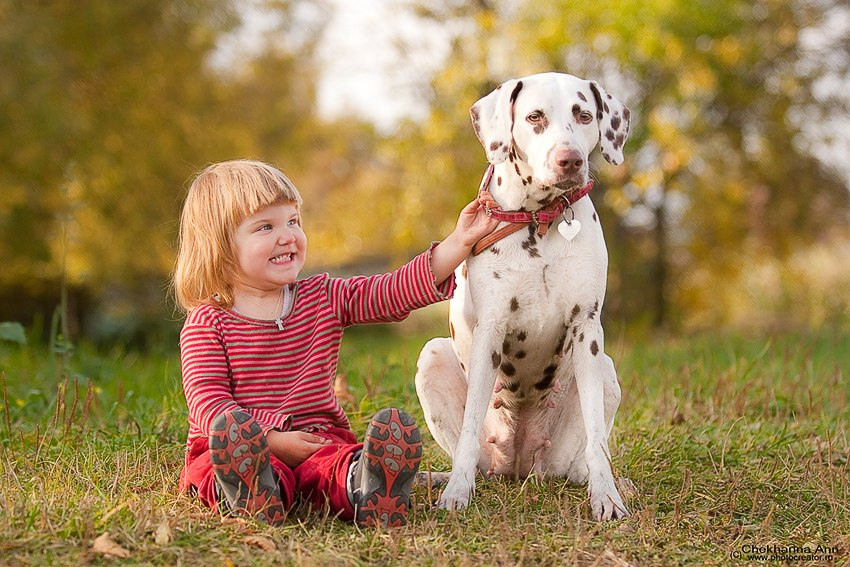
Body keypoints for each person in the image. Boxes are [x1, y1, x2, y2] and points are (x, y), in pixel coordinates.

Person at [172, 159, 497, 527]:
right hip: (241, 444)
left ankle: (369, 486)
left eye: (293, 221)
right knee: (213, 465)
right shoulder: (208, 322)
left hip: (317, 440)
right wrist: (270, 439)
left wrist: (460, 241)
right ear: (220, 246)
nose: (287, 236)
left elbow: (390, 292)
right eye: (265, 227)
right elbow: (208, 403)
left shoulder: (323, 296)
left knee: (333, 467)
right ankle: (252, 490)